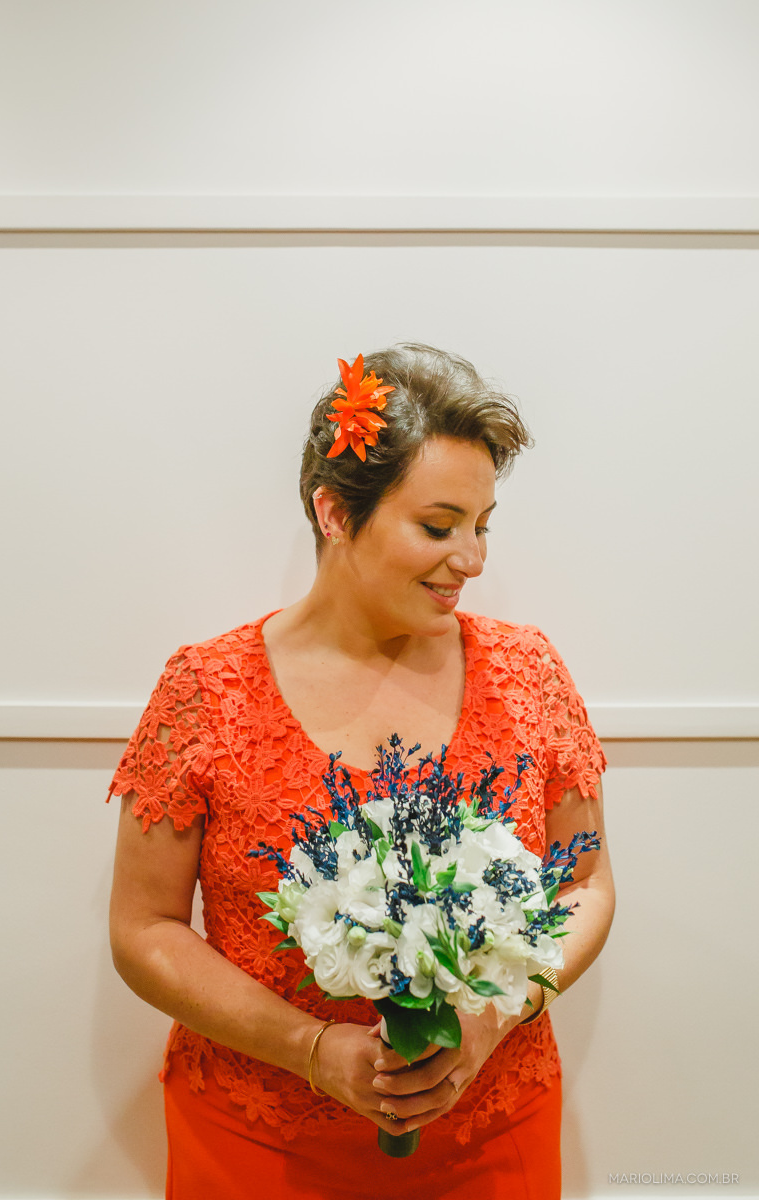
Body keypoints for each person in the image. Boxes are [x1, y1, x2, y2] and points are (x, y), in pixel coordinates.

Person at [108, 343, 615, 1200]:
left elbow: (586, 881)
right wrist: (310, 1050)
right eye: (439, 524)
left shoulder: (530, 673)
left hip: (491, 1134)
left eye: (483, 524)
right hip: (259, 1144)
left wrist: (493, 1018)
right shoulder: (205, 689)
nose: (474, 558)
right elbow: (144, 928)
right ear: (335, 511)